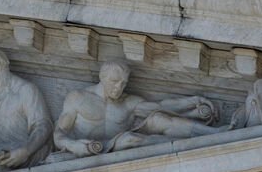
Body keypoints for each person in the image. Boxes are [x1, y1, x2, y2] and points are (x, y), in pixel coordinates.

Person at [51, 62, 220, 159]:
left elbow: (162, 106)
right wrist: (72, 145)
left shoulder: (128, 102)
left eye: (123, 83)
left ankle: (214, 133)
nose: (118, 87)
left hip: (117, 143)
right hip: (88, 149)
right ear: (102, 77)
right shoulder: (78, 97)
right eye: (114, 81)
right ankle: (181, 149)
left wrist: (194, 100)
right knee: (131, 139)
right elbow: (59, 133)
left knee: (159, 119)